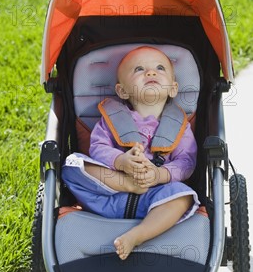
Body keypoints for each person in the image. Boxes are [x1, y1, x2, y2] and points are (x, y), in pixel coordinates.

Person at [61, 46, 200, 260]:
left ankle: (138, 235)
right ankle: (129, 184)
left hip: (154, 198)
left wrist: (158, 175)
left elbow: (186, 162)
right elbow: (97, 148)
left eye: (160, 68)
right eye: (139, 69)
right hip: (108, 195)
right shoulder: (111, 119)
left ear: (173, 88)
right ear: (122, 91)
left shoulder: (180, 126)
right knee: (72, 165)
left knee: (183, 196)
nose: (151, 73)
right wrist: (121, 162)